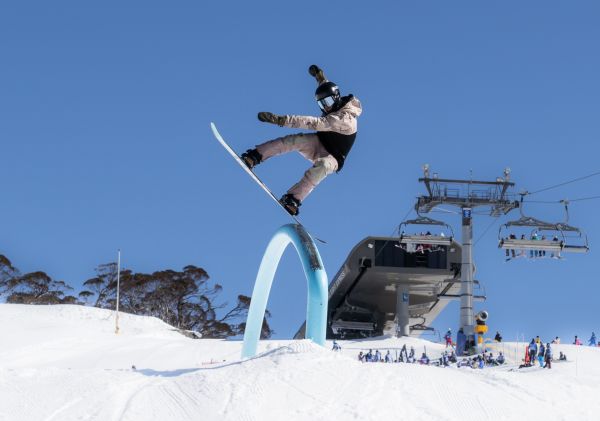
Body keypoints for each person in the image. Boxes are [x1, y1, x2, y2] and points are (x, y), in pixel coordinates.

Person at [241, 65, 362, 216]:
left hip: (333, 157)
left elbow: (310, 122)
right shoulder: (338, 102)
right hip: (319, 141)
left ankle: (293, 199)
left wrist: (280, 120)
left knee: (322, 167)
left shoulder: (344, 119)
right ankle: (255, 155)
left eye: (328, 103)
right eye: (322, 104)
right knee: (294, 140)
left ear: (336, 99)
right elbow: (328, 89)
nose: (326, 107)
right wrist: (320, 77)